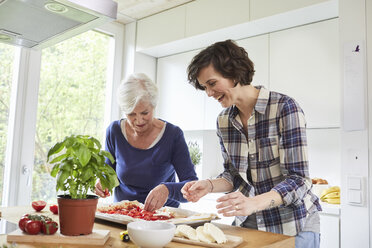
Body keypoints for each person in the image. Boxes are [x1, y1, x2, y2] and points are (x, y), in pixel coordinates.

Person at [181, 40, 321, 248]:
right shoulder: (223, 121)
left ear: (234, 74)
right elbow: (233, 175)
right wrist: (208, 186)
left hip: (293, 225)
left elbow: (299, 179)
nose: (209, 93)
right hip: (249, 224)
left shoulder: (284, 108)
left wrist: (253, 203)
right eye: (204, 87)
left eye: (212, 83)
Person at [95, 73, 198, 211]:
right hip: (122, 214)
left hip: (163, 217)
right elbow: (107, 174)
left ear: (153, 106)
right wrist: (102, 184)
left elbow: (193, 186)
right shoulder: (114, 131)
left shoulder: (173, 135)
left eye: (145, 113)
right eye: (131, 114)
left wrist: (167, 189)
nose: (138, 121)